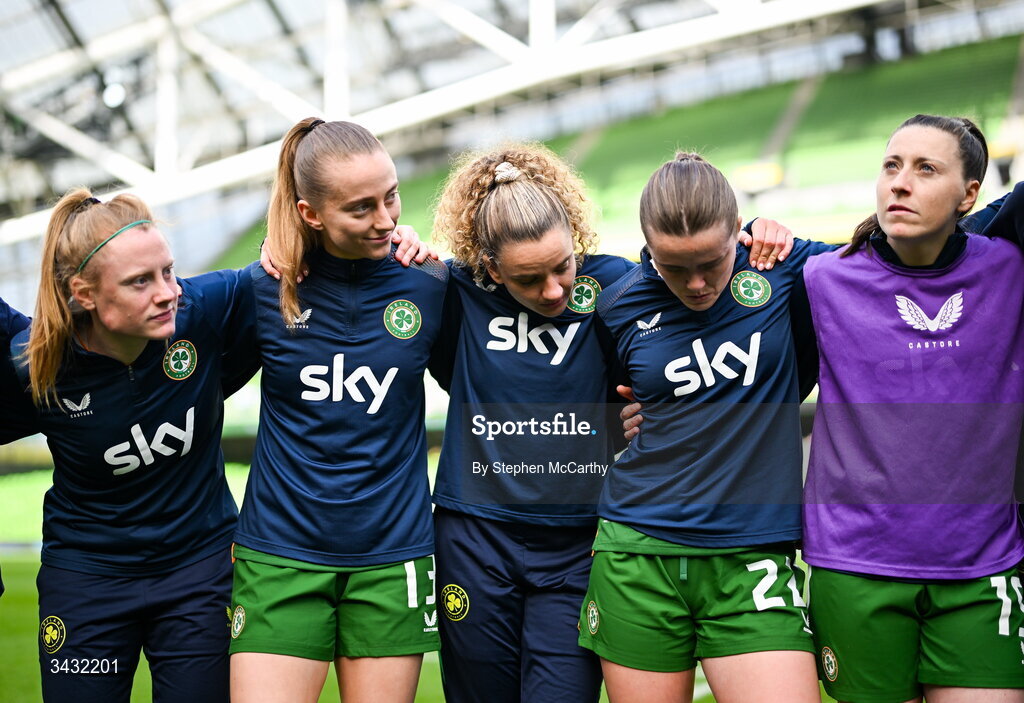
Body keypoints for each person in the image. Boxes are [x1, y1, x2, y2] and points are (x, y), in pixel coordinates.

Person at [578, 152, 836, 703]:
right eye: (674, 267)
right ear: (647, 246)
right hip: (636, 553)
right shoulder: (618, 305)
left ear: (738, 232)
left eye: (712, 263)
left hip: (753, 554)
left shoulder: (782, 266)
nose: (696, 284)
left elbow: (894, 259)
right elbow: (605, 413)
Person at [1, 190, 258, 702]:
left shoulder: (204, 309)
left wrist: (402, 241)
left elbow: (307, 260)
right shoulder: (35, 366)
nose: (167, 293)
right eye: (140, 281)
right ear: (83, 294)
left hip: (201, 571)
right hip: (87, 582)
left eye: (168, 271)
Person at [801, 115, 1024, 702]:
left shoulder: (1009, 267)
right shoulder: (823, 277)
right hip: (855, 565)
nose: (900, 183)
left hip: (982, 566)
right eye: (892, 166)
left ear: (969, 195)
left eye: (927, 169)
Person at [228, 117, 447, 703]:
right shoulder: (261, 288)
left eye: (392, 196)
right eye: (361, 208)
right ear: (310, 213)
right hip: (280, 552)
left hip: (393, 555)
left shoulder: (430, 283)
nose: (386, 219)